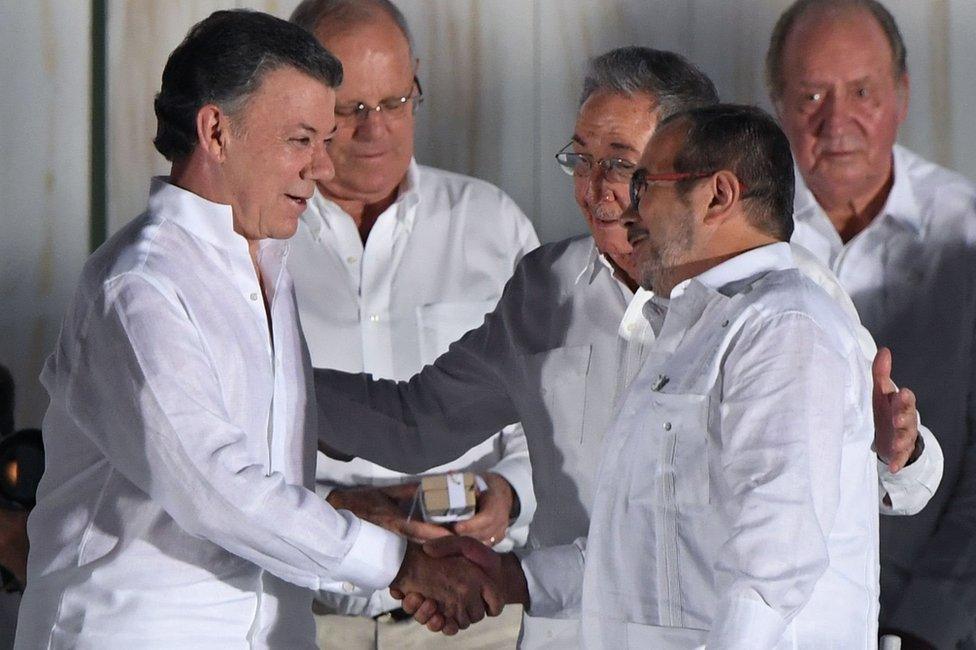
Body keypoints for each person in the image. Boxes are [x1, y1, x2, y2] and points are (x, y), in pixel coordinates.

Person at [313, 47, 942, 647]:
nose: (597, 189)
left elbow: (783, 545)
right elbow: (419, 422)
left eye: (622, 164)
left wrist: (892, 454)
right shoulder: (545, 290)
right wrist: (270, 383)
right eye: (580, 159)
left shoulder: (783, 304)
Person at [14, 11, 499, 648]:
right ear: (215, 132)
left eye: (325, 141)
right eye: (302, 140)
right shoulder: (139, 287)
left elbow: (287, 423)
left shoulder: (264, 257)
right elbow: (218, 489)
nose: (324, 170)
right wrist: (402, 565)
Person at [286, 1, 537, 647]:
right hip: (305, 620)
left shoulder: (492, 224)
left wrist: (508, 494)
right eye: (350, 109)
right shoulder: (255, 239)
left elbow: (553, 409)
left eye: (397, 101)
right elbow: (220, 443)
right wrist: (341, 510)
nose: (377, 131)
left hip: (476, 618)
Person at [766, 1, 976, 647]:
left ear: (902, 95)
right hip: (774, 618)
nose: (838, 121)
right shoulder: (730, 238)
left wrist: (929, 626)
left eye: (862, 92)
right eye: (811, 95)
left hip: (941, 615)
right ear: (776, 102)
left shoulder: (966, 232)